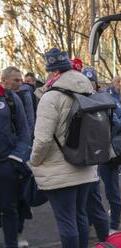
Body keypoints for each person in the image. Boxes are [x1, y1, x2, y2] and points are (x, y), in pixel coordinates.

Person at [29, 48, 98, 248]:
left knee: (66, 221)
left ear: (52, 71)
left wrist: (34, 162)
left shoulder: (51, 98)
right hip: (85, 167)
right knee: (80, 216)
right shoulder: (88, 91)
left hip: (59, 171)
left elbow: (42, 140)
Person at [82, 66, 121, 237]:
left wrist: (107, 130)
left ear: (96, 83)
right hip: (87, 156)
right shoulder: (77, 99)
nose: (89, 84)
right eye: (85, 81)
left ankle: (114, 225)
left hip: (107, 153)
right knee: (87, 193)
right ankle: (86, 225)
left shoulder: (107, 98)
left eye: (91, 81)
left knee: (112, 191)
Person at [0, 67, 30, 248]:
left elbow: (24, 132)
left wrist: (15, 159)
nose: (20, 83)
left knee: (9, 208)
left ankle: (12, 243)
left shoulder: (11, 99)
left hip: (6, 164)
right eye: (16, 80)